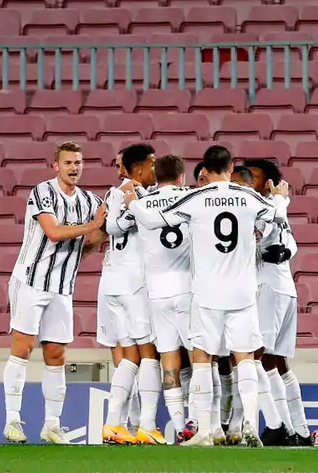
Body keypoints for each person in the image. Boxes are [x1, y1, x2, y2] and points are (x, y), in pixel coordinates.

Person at [125, 145, 290, 447]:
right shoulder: (248, 197)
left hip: (205, 293)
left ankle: (203, 431)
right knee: (246, 359)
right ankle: (251, 425)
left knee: (202, 360)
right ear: (230, 169)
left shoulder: (196, 198)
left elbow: (152, 221)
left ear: (206, 170)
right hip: (242, 291)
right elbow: (277, 215)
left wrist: (134, 203)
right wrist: (281, 195)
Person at [2, 141, 107, 444]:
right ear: (56, 166)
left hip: (62, 287)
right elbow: (53, 231)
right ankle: (12, 420)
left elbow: (93, 237)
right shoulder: (42, 192)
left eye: (78, 162)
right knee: (22, 348)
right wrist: (93, 225)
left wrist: (98, 234)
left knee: (56, 353)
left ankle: (52, 425)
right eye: (68, 163)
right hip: (30, 281)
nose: (74, 168)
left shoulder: (89, 200)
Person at [100, 143, 164, 445]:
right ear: (139, 168)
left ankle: (113, 425)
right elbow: (117, 227)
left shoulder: (113, 194)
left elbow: (111, 227)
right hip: (135, 284)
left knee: (129, 356)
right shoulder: (145, 196)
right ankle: (148, 425)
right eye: (152, 165)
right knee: (149, 353)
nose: (155, 170)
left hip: (112, 283)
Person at [244, 158, 308, 445]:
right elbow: (288, 240)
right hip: (282, 288)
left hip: (269, 288)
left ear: (267, 183)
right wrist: (284, 251)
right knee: (275, 362)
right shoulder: (273, 207)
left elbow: (279, 237)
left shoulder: (262, 208)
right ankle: (301, 432)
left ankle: (278, 427)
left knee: (254, 356)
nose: (248, 180)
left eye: (253, 177)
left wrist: (282, 252)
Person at [128, 154, 192, 443]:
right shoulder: (192, 198)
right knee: (202, 359)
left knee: (169, 362)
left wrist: (130, 199)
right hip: (188, 289)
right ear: (180, 177)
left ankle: (180, 429)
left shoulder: (140, 205)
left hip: (157, 293)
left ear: (157, 177)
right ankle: (206, 423)